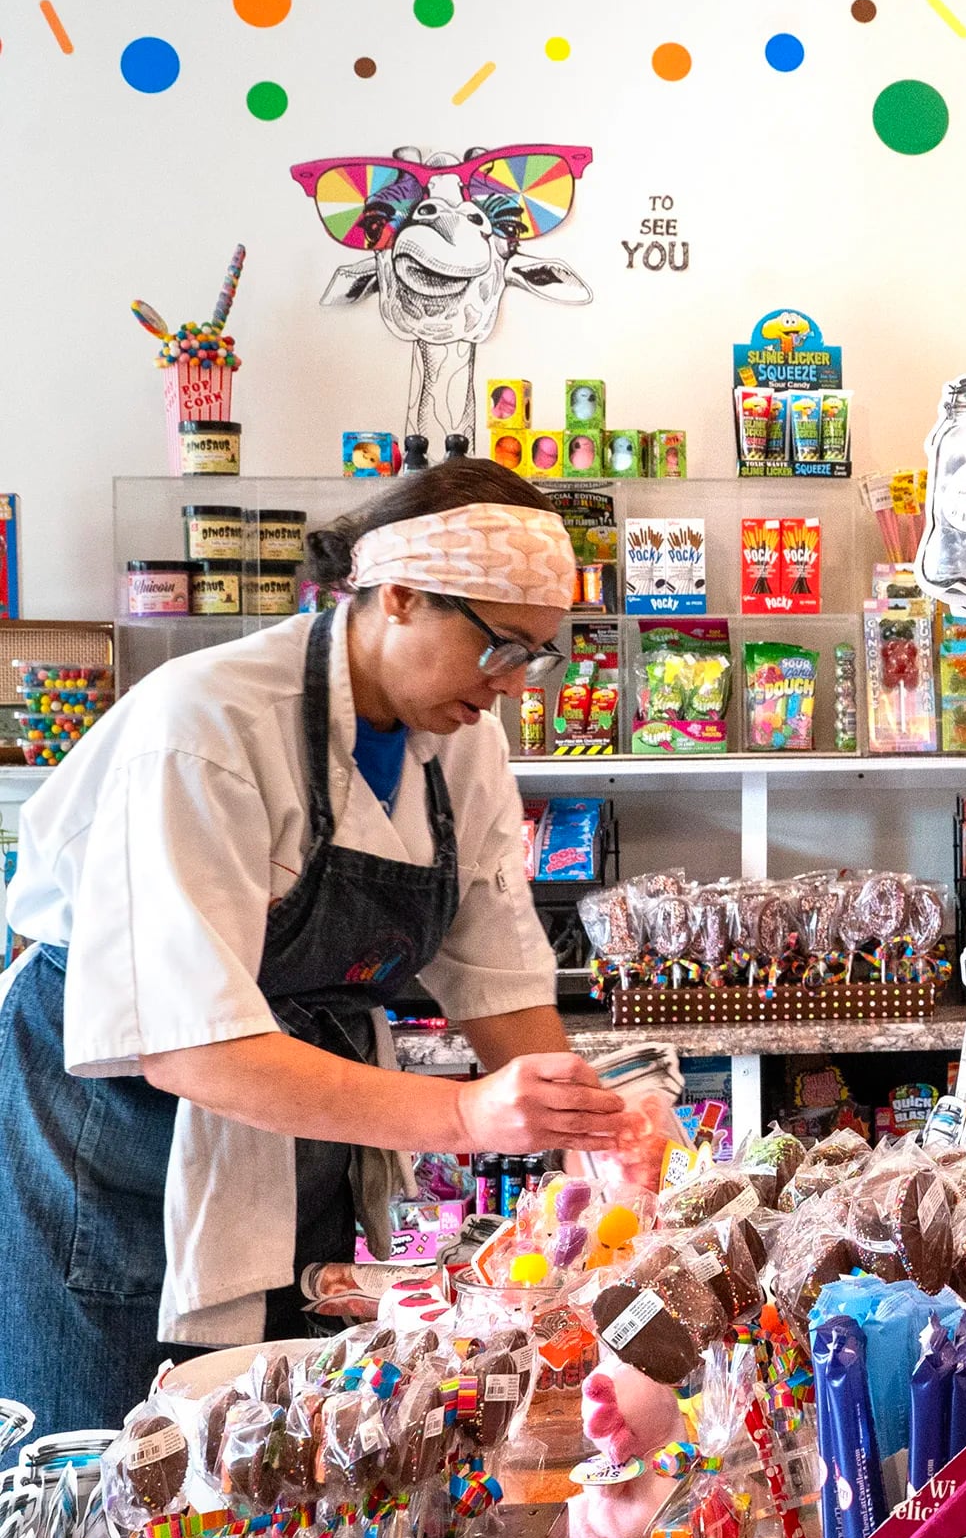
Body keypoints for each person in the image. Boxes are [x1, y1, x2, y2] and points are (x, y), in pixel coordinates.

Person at [0, 459, 627, 1432]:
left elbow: (495, 968)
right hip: (112, 1126)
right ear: (403, 594)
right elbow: (187, 1039)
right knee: (114, 1459)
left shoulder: (464, 742)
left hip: (298, 1112)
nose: (508, 687)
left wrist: (598, 1142)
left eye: (535, 658)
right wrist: (467, 1114)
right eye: (501, 646)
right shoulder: (205, 722)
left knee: (285, 1446)